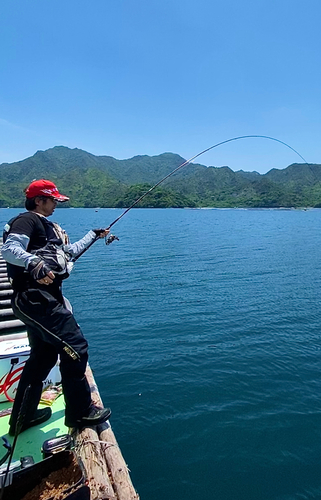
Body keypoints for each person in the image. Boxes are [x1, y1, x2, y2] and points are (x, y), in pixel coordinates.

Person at [1, 179, 111, 436]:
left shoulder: (48, 227)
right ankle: (80, 412)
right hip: (35, 299)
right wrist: (33, 264)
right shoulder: (26, 220)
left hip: (41, 300)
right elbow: (9, 249)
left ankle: (22, 418)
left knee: (43, 358)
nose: (55, 206)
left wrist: (93, 236)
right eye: (53, 201)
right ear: (39, 200)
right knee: (77, 347)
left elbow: (68, 254)